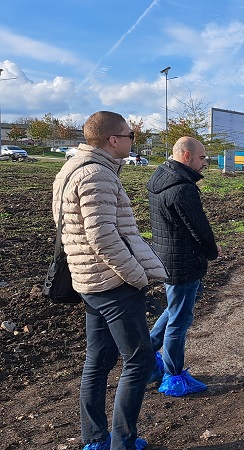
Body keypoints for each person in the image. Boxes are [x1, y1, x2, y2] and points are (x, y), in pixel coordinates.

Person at [53, 111, 166, 449]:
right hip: (112, 283)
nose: (134, 140)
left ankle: (95, 440)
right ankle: (123, 442)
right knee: (139, 359)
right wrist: (136, 276)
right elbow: (103, 238)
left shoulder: (71, 169)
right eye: (130, 134)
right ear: (112, 140)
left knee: (99, 360)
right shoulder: (95, 175)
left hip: (89, 281)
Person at [146, 136, 220, 397]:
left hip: (167, 258)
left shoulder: (160, 178)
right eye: (202, 158)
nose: (205, 163)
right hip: (183, 261)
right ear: (186, 156)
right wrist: (212, 251)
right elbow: (199, 227)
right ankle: (174, 375)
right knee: (178, 320)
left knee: (173, 309)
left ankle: (147, 357)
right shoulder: (182, 188)